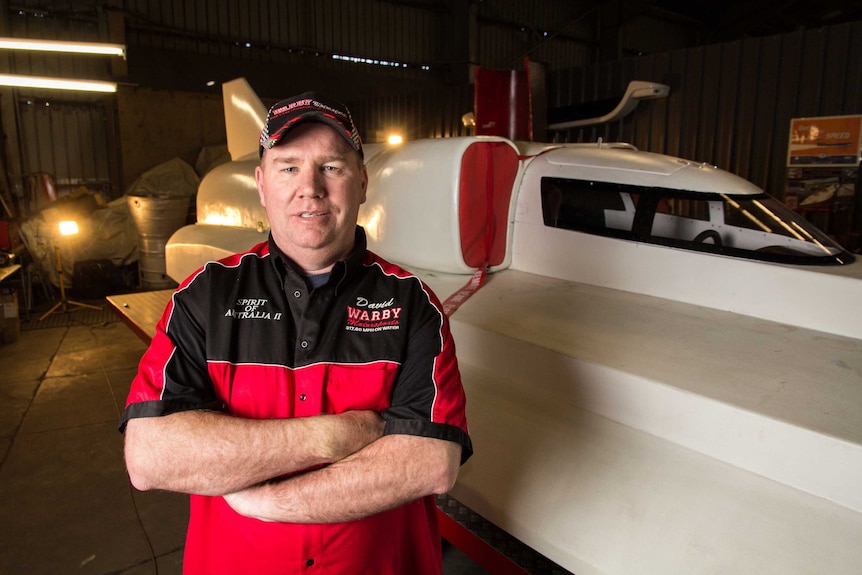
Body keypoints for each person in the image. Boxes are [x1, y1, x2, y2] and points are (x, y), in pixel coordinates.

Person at [120, 92, 473, 574]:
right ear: (261, 185)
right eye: (288, 168)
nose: (310, 188)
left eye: (331, 167)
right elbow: (150, 457)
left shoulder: (413, 306)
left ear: (363, 182)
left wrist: (263, 502)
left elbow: (429, 464)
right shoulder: (204, 296)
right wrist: (336, 435)